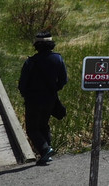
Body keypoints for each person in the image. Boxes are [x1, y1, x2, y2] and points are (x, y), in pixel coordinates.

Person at [18, 31, 68, 166]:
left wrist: (25, 94)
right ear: (51, 44)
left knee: (32, 128)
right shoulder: (58, 59)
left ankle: (45, 150)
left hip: (33, 99)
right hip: (50, 99)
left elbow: (22, 84)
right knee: (43, 125)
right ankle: (47, 154)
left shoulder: (30, 62)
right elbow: (63, 80)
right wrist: (54, 89)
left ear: (37, 45)